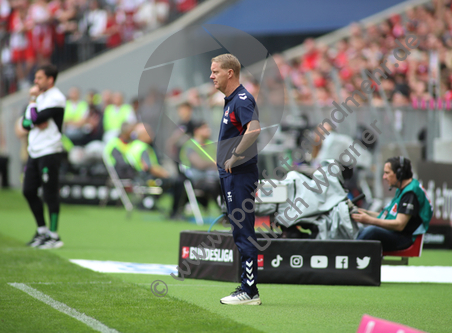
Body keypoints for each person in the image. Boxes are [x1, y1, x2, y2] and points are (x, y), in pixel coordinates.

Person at [210, 54, 262, 305]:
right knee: (239, 230)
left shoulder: (241, 99)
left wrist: (235, 155)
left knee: (244, 231)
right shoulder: (232, 100)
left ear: (230, 73)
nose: (211, 76)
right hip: (232, 175)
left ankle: (249, 291)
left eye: (215, 71)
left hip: (240, 176)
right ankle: (246, 286)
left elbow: (254, 129)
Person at [21, 64, 66, 249]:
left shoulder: (56, 97)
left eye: (39, 78)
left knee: (49, 193)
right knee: (29, 190)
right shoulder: (40, 98)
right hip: (35, 150)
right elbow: (26, 123)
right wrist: (34, 114)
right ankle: (42, 231)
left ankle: (54, 236)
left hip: (50, 150)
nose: (35, 81)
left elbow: (37, 119)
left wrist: (33, 105)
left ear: (50, 79)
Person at [352, 156, 433, 251]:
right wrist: (365, 213)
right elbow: (387, 216)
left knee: (372, 231)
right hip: (397, 234)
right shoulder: (404, 189)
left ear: (399, 174)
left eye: (387, 173)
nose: (384, 177)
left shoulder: (410, 193)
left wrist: (369, 220)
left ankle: (348, 256)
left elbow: (399, 224)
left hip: (404, 239)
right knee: (360, 230)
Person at [179, 121, 220, 208]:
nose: (208, 130)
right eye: (205, 128)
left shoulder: (210, 144)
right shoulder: (189, 145)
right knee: (215, 185)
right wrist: (215, 163)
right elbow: (199, 164)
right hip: (196, 179)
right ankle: (225, 213)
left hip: (213, 175)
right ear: (197, 131)